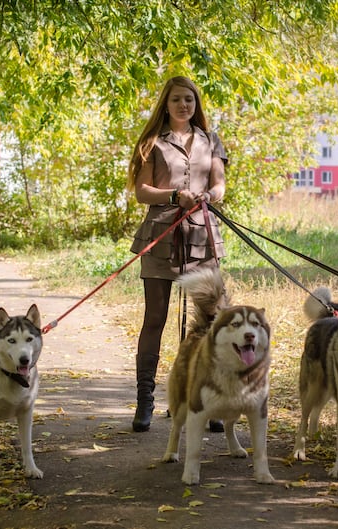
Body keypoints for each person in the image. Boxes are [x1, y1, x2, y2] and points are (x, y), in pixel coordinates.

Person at [126, 76, 227, 433]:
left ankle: (208, 398)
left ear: (196, 103)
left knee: (211, 320)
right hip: (161, 236)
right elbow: (141, 191)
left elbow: (219, 183)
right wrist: (174, 196)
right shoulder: (153, 142)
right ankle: (145, 401)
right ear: (165, 105)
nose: (184, 105)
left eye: (189, 99)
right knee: (155, 319)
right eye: (177, 100)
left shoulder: (210, 140)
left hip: (202, 235)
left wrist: (209, 197)